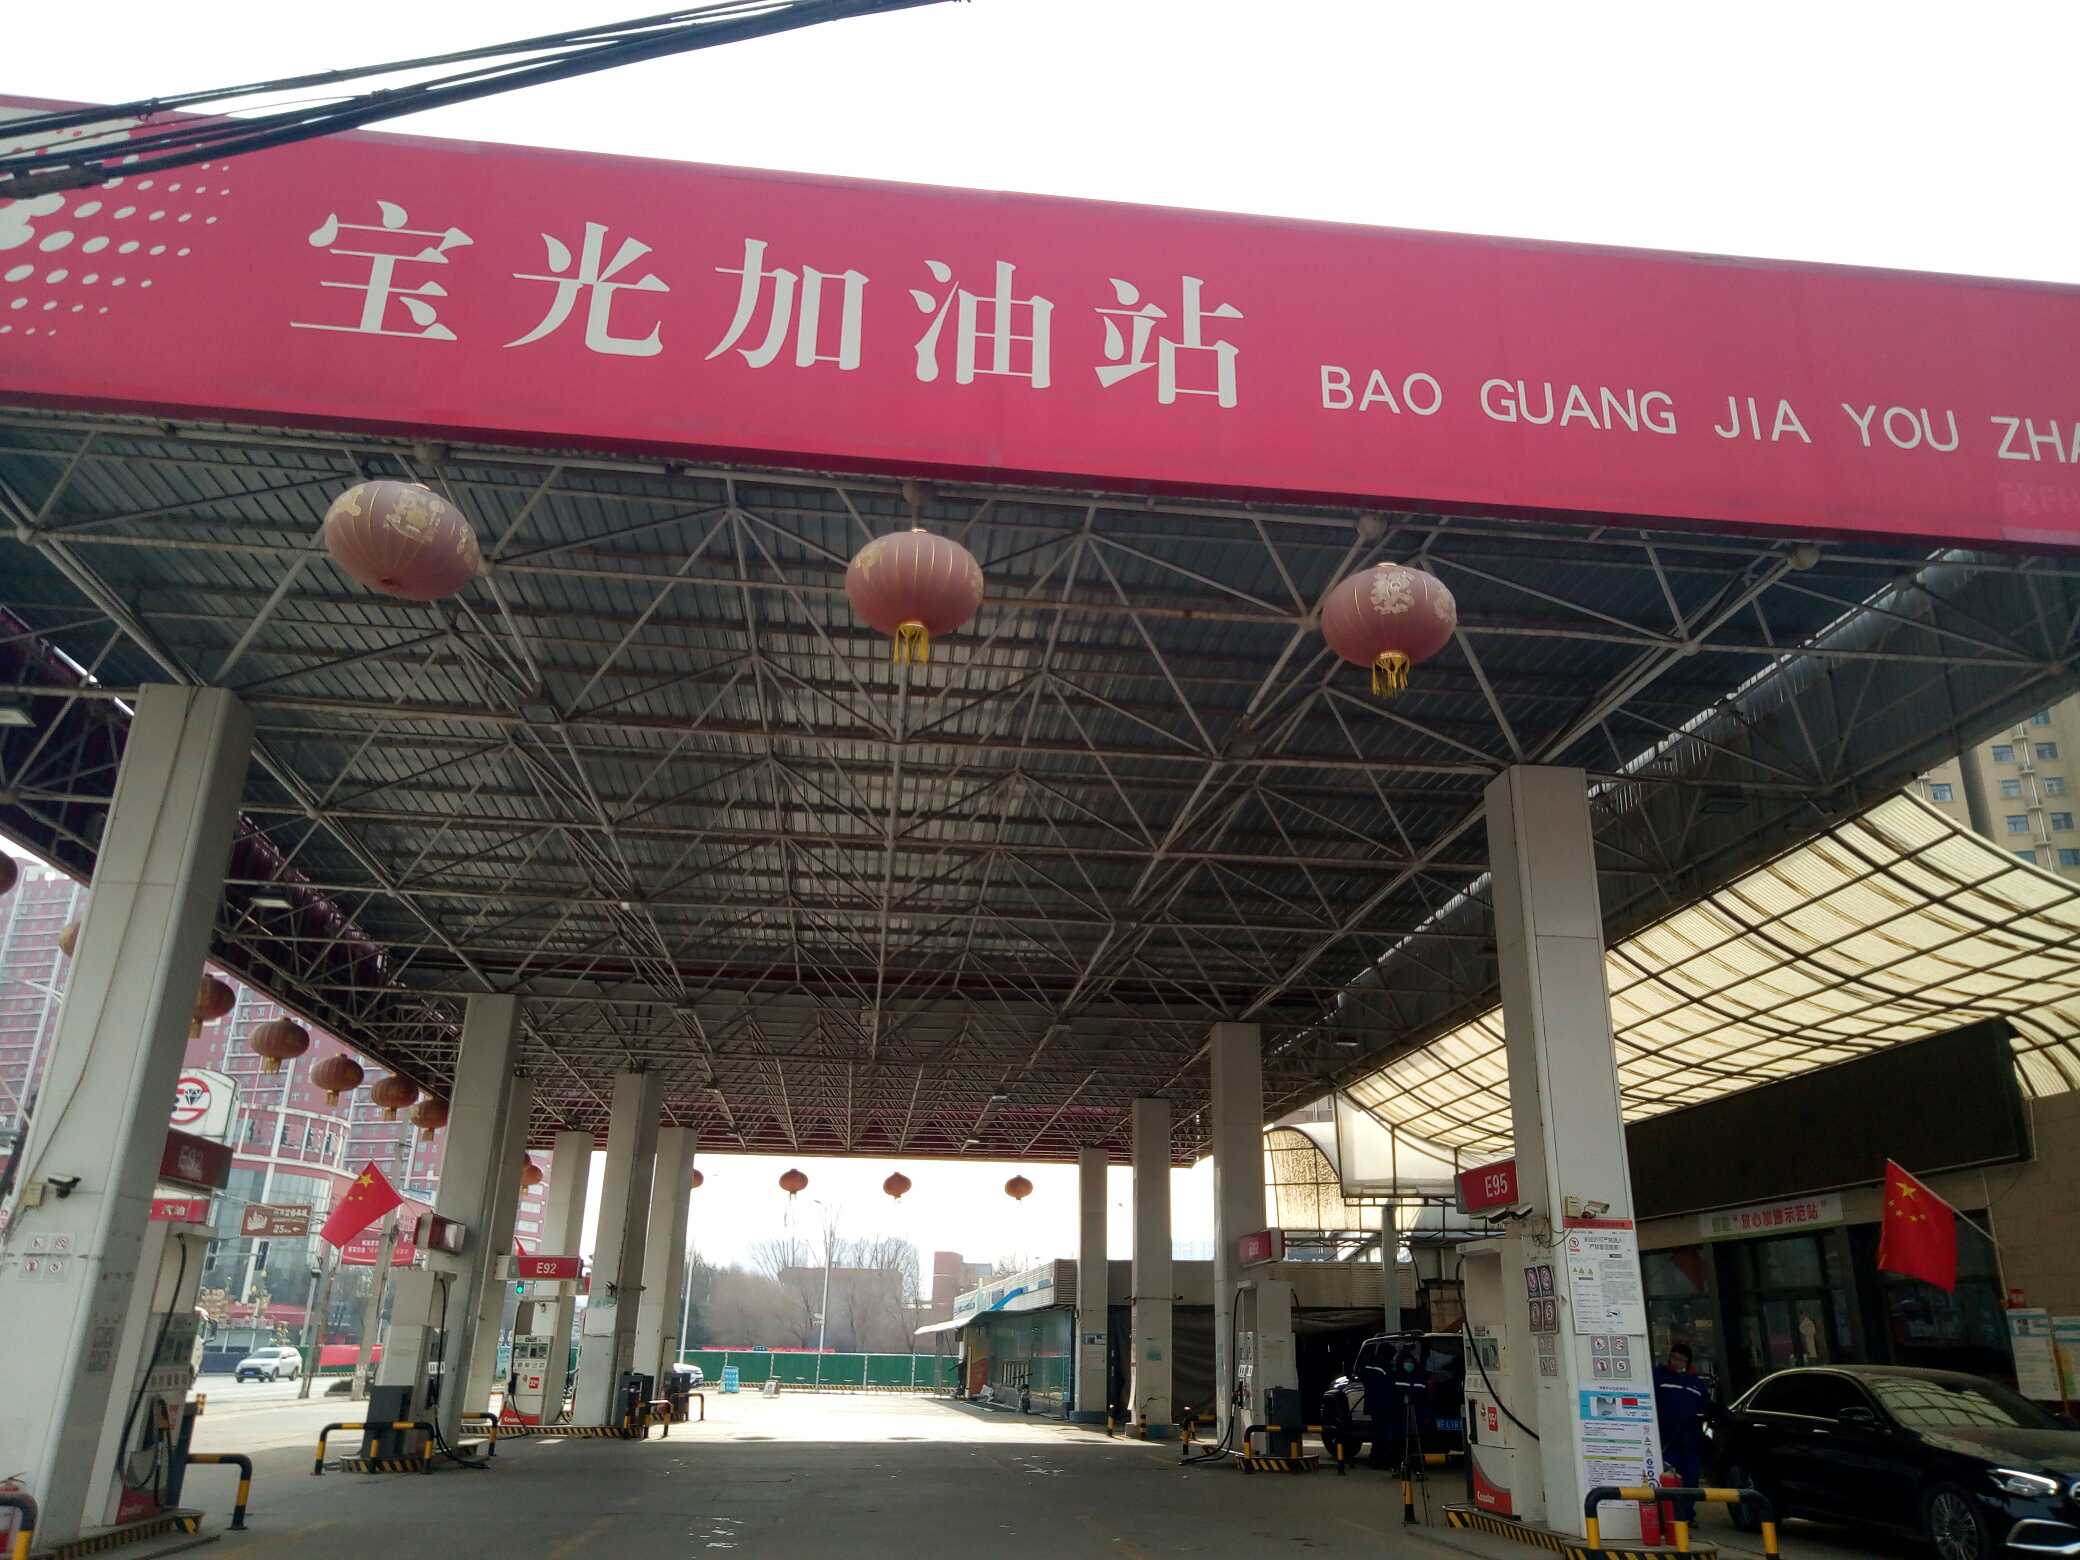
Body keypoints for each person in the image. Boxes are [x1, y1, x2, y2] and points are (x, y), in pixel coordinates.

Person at [1653, 1342, 1712, 1506]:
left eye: (1681, 1359)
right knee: (1668, 1479)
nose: (1676, 1362)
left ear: (1687, 1362)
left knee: (1690, 1479)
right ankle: (1670, 1514)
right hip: (1667, 1439)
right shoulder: (1659, 1376)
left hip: (1690, 1440)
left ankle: (1687, 1514)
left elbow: (1705, 1405)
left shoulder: (1695, 1383)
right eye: (1674, 1358)